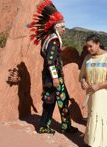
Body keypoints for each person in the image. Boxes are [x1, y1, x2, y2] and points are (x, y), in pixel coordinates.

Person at [28, 0, 78, 134]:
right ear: (56, 27)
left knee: (62, 100)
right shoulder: (54, 41)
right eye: (62, 27)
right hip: (52, 77)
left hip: (51, 75)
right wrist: (55, 78)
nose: (64, 29)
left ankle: (65, 125)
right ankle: (44, 126)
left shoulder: (48, 38)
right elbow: (50, 61)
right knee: (50, 101)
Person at [80, 35, 107, 147]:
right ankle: (91, 140)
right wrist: (83, 81)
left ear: (98, 44)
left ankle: (102, 144)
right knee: (92, 116)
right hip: (91, 93)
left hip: (104, 93)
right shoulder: (88, 58)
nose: (88, 49)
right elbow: (83, 75)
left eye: (91, 46)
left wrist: (98, 85)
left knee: (102, 117)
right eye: (87, 47)